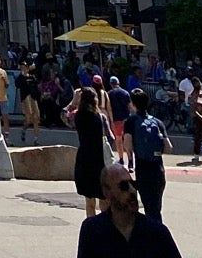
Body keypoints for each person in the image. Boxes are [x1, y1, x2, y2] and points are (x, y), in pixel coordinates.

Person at [76, 166, 184, 258]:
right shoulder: (92, 230)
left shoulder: (157, 232)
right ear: (106, 192)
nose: (132, 190)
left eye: (133, 184)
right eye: (124, 186)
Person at [127, 88, 172, 224]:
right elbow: (169, 147)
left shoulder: (131, 121)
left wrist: (130, 160)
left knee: (148, 208)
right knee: (156, 209)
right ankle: (159, 236)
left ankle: (152, 239)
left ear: (133, 104)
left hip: (143, 169)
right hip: (158, 170)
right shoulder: (158, 123)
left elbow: (127, 145)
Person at [66, 85, 108, 217]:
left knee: (89, 201)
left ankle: (91, 227)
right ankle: (105, 226)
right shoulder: (99, 117)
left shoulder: (79, 116)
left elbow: (64, 116)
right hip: (99, 160)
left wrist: (73, 101)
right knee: (104, 198)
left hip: (84, 160)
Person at [19, 62, 40, 142]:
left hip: (33, 98)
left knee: (36, 118)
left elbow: (36, 87)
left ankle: (36, 139)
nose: (23, 69)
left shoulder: (32, 77)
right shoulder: (21, 78)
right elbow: (17, 84)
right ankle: (24, 130)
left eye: (25, 67)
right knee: (29, 119)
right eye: (22, 67)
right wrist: (22, 75)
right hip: (25, 98)